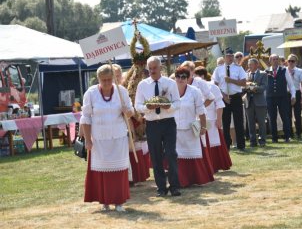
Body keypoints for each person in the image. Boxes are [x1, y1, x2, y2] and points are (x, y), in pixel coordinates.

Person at [81, 65, 134, 212]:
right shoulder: (90, 93)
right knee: (102, 172)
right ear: (98, 79)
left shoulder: (121, 91)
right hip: (99, 138)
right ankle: (104, 202)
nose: (106, 83)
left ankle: (119, 202)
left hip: (118, 137)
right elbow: (85, 118)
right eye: (103, 80)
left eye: (109, 80)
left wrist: (127, 111)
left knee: (119, 171)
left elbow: (131, 111)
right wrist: (87, 139)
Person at [135, 56, 181, 197]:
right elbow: (137, 106)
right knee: (155, 156)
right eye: (150, 69)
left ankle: (174, 186)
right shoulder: (143, 85)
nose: (152, 71)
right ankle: (161, 187)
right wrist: (148, 107)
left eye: (155, 68)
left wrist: (168, 106)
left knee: (171, 154)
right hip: (152, 124)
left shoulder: (170, 83)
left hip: (168, 123)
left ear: (160, 68)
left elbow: (178, 103)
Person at [174, 66, 214, 187]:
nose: (180, 79)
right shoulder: (170, 91)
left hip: (190, 129)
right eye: (178, 77)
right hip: (174, 130)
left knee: (192, 154)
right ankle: (181, 181)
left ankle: (195, 179)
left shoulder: (195, 91)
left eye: (184, 77)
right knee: (178, 157)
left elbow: (201, 111)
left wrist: (203, 127)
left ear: (188, 78)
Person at [194, 66, 232, 172]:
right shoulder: (192, 88)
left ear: (202, 76)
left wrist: (219, 119)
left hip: (211, 118)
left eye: (196, 76)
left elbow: (219, 104)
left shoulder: (213, 87)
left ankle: (215, 165)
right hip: (197, 119)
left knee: (213, 142)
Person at [212, 47, 247, 151]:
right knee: (225, 123)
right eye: (228, 56)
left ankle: (241, 145)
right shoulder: (218, 69)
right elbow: (215, 85)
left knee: (238, 122)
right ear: (224, 57)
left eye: (232, 56)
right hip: (224, 97)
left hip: (236, 97)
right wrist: (223, 96)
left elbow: (243, 83)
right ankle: (226, 145)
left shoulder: (238, 68)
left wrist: (231, 80)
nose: (230, 58)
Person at [266, 54, 296, 143]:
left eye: (277, 59)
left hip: (282, 97)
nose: (275, 61)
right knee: (272, 118)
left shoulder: (284, 70)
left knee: (285, 117)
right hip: (270, 97)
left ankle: (287, 136)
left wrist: (293, 95)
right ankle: (274, 138)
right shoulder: (266, 71)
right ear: (270, 61)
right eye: (273, 59)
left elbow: (291, 84)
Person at [243, 58, 268, 147]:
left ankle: (262, 140)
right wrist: (246, 88)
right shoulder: (246, 75)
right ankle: (252, 141)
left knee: (261, 122)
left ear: (257, 65)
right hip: (249, 102)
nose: (249, 66)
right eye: (249, 64)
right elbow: (243, 87)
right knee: (250, 122)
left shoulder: (263, 74)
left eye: (251, 64)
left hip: (260, 102)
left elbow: (264, 87)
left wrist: (254, 88)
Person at [286, 54, 302, 139]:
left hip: (297, 93)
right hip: (286, 94)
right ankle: (290, 133)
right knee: (288, 115)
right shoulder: (284, 70)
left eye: (292, 61)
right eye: (289, 61)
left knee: (297, 114)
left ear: (296, 62)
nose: (290, 62)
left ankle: (298, 133)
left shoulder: (299, 71)